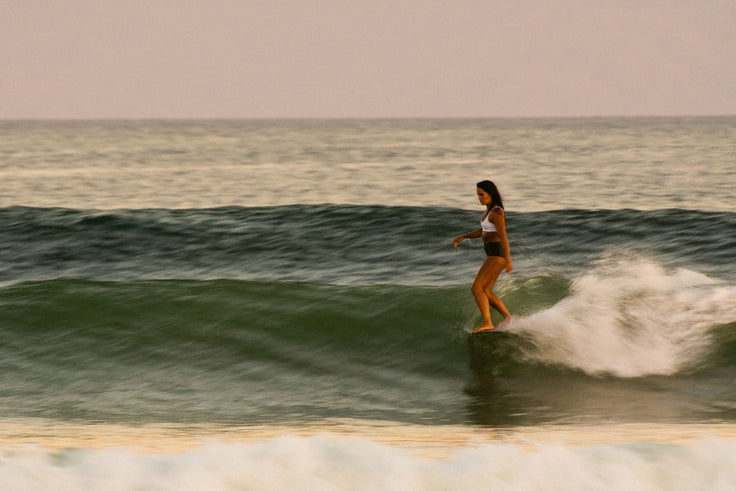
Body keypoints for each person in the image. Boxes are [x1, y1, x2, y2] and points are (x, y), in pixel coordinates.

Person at [451, 180, 513, 333]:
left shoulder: (497, 212)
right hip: (492, 254)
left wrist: (508, 260)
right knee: (485, 291)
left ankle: (487, 322)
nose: (479, 197)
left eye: (481, 194)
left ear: (490, 195)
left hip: (497, 255)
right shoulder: (488, 213)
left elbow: (503, 236)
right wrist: (464, 236)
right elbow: (483, 231)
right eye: (477, 195)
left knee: (476, 288)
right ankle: (508, 318)